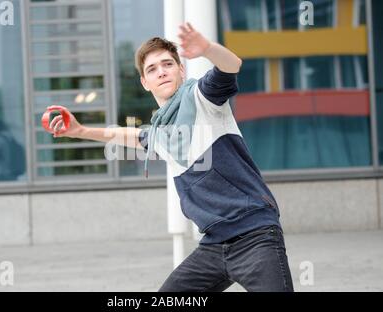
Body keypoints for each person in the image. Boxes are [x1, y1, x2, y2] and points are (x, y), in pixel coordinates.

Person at [47, 23, 294, 292]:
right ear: (144, 82)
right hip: (214, 244)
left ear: (181, 69)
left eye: (167, 64)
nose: (161, 72)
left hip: (255, 235)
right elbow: (130, 136)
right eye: (152, 69)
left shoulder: (203, 98)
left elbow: (232, 65)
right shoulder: (159, 132)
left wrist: (208, 49)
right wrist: (80, 131)